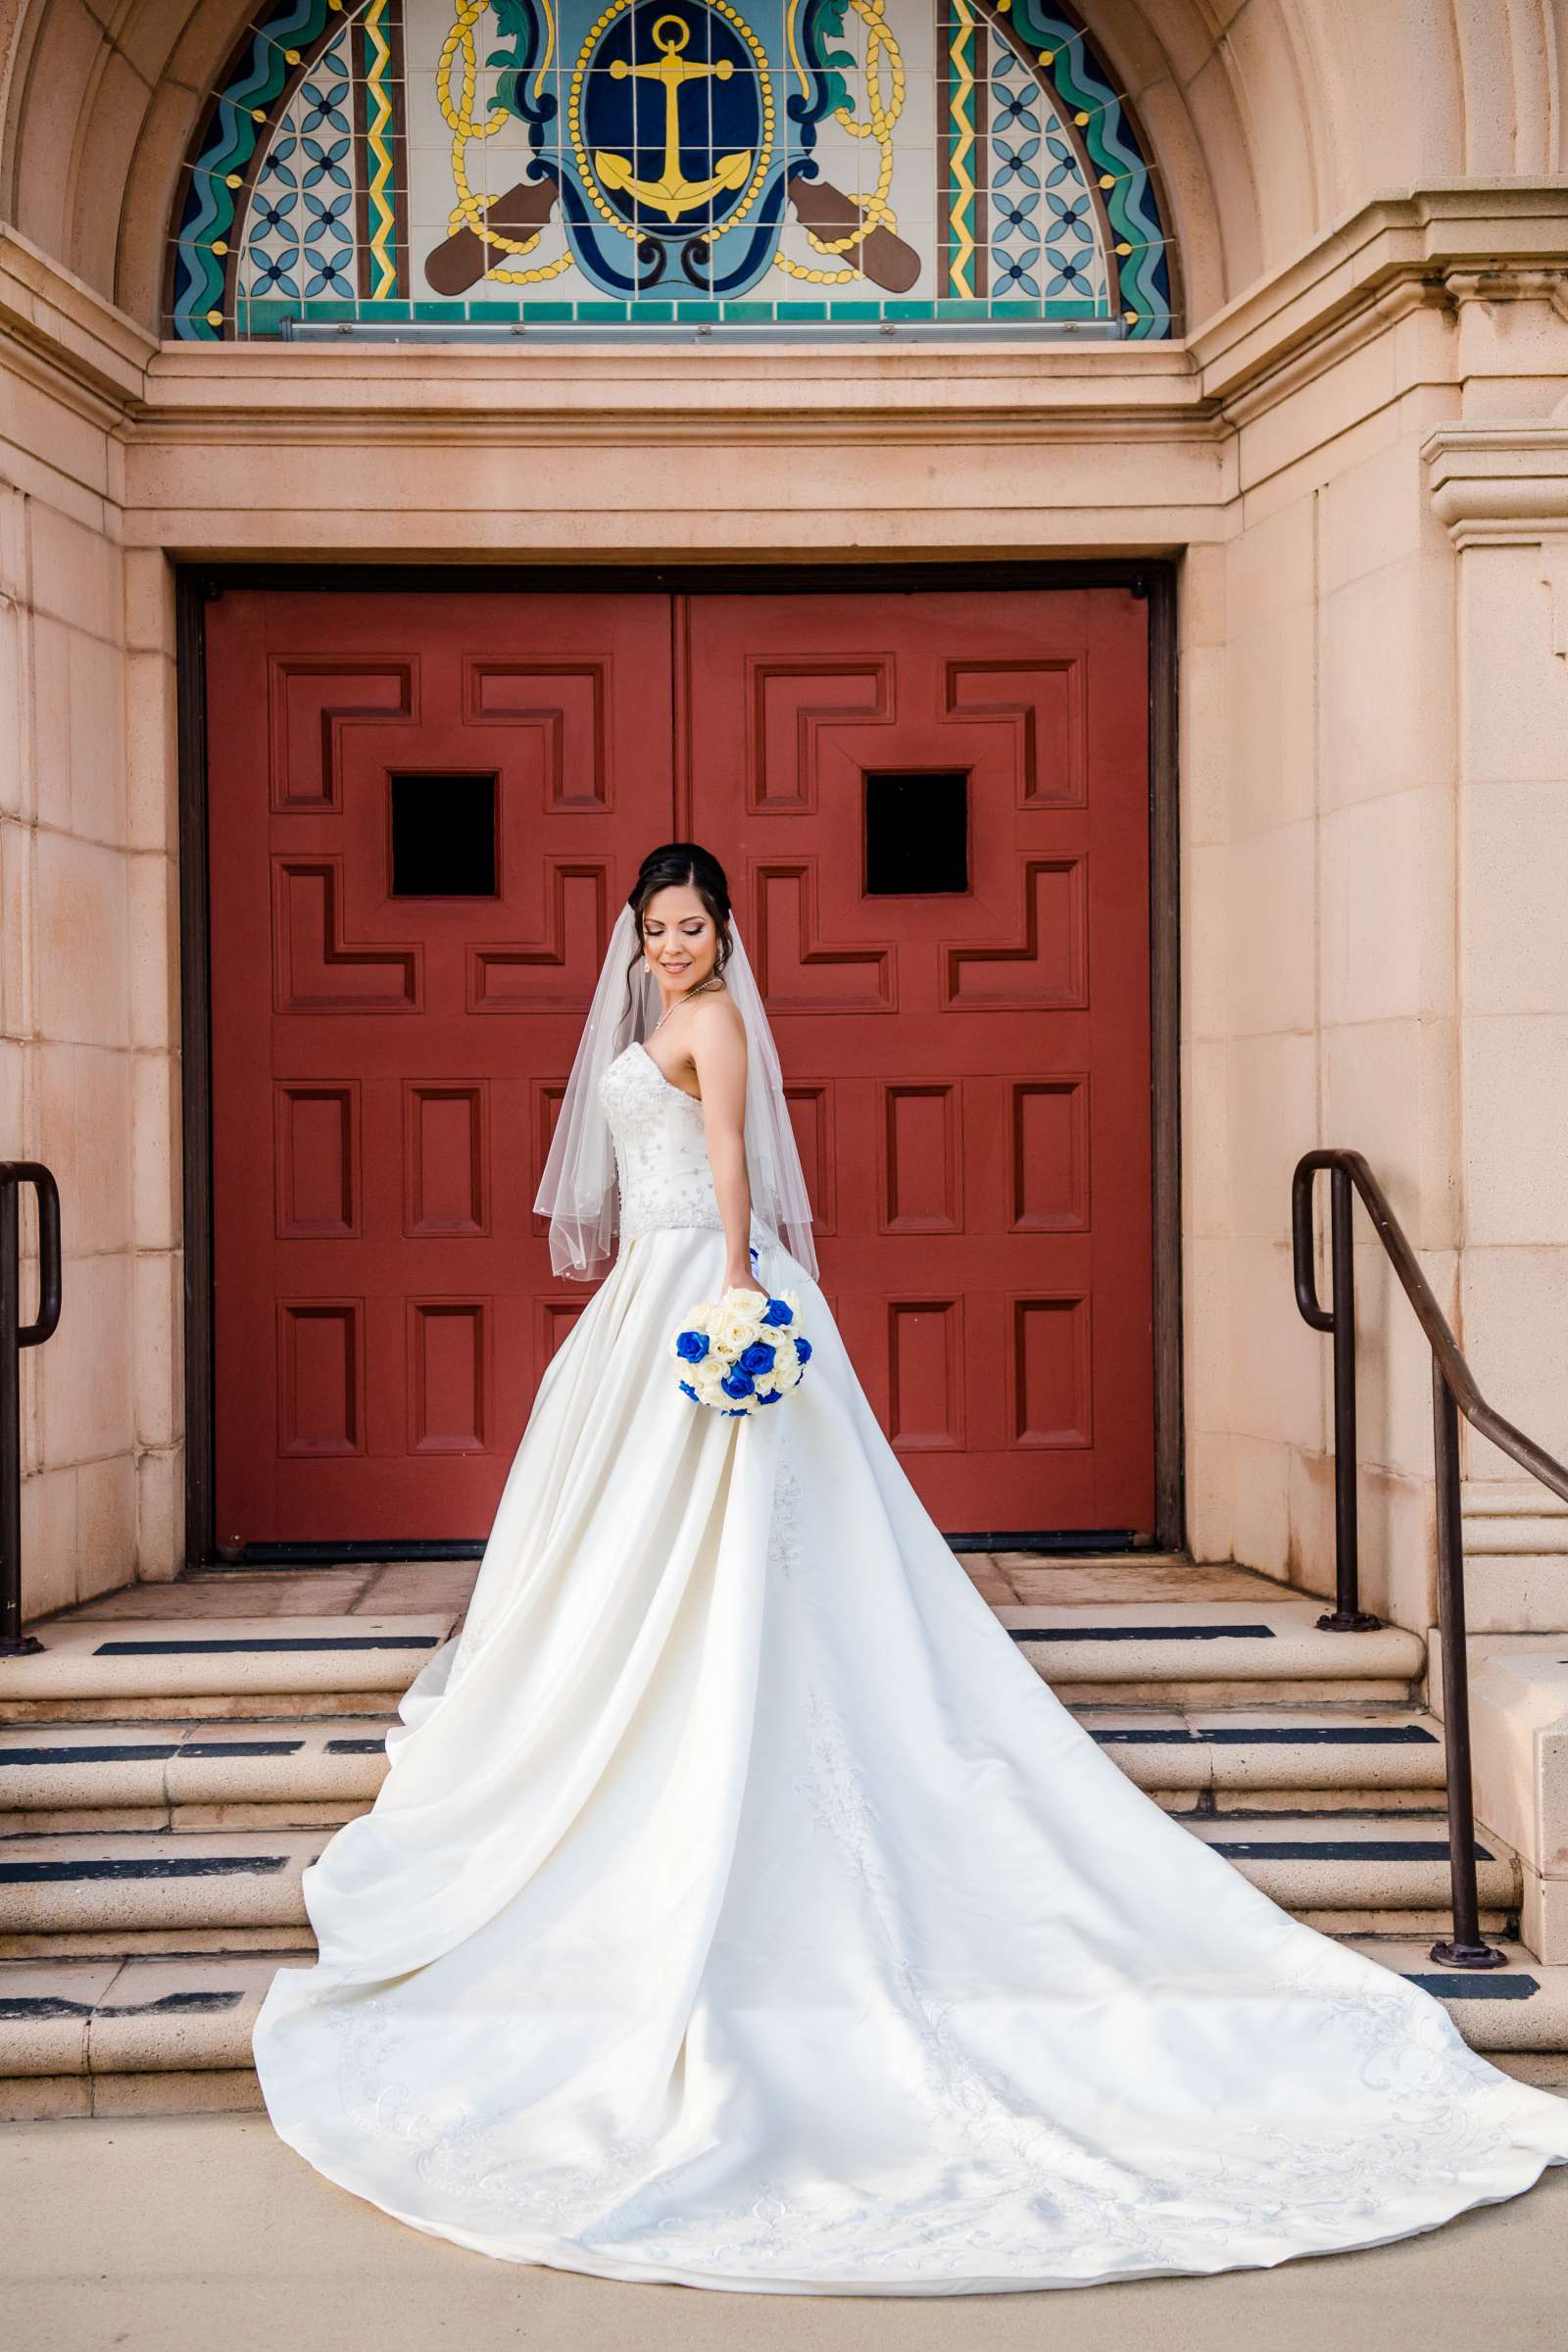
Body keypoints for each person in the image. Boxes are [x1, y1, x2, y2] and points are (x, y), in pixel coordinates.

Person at [253, 841, 1568, 2294]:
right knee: (608, 1542)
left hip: (714, 1289)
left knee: (756, 1542)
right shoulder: (640, 1020)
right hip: (650, 1300)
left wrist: (742, 1291)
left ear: (724, 933)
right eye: (658, 928)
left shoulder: (718, 1026)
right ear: (632, 935)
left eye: (695, 927)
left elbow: (736, 1156)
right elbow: (634, 1163)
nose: (678, 947)